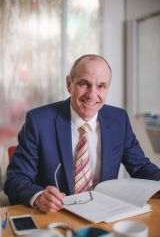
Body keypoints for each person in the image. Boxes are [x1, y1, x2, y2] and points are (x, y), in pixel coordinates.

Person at [4, 54, 160, 213]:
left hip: (105, 214)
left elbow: (141, 167)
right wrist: (38, 197)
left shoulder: (119, 120)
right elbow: (16, 179)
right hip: (57, 215)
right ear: (68, 83)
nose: (92, 95)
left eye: (101, 86)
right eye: (84, 83)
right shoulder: (39, 121)